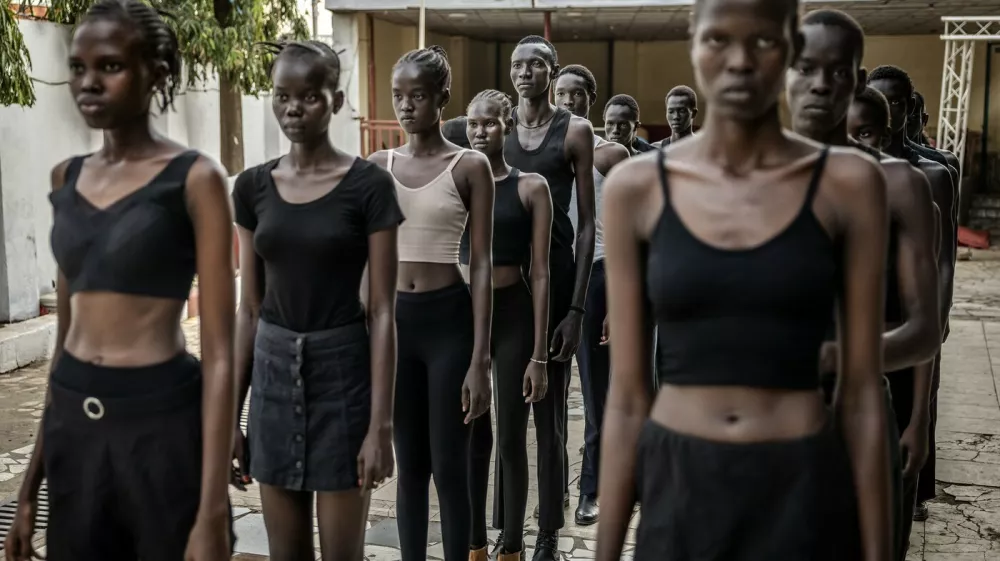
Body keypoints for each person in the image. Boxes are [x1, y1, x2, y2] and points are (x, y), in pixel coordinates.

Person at [596, 0, 892, 558]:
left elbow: (860, 395)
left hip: (800, 483)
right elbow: (628, 399)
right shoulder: (636, 188)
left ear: (790, 49)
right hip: (680, 485)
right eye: (718, 40)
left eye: (762, 42)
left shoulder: (848, 184)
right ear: (693, 42)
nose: (739, 61)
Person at [4, 1, 236, 559]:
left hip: (160, 424)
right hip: (74, 428)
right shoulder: (67, 177)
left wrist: (211, 511)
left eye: (109, 66)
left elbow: (222, 355)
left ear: (155, 72)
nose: (88, 82)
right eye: (78, 67)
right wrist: (28, 487)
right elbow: (64, 338)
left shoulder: (196, 179)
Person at [230, 40, 401, 561]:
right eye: (282, 96)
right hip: (273, 379)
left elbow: (381, 310)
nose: (292, 108)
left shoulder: (370, 187)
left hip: (343, 379)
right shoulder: (252, 187)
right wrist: (233, 420)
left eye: (309, 96)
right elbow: (250, 308)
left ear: (338, 100)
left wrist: (380, 427)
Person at [785, 10, 942, 558]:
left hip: (859, 407)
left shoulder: (900, 183)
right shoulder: (756, 177)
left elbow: (925, 329)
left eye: (840, 69)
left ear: (857, 76)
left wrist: (835, 358)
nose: (823, 83)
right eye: (807, 67)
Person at [369, 45, 495, 561]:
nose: (405, 106)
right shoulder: (378, 166)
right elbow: (367, 263)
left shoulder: (470, 166)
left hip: (450, 324)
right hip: (397, 325)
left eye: (417, 95)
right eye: (397, 96)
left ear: (442, 98)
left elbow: (482, 262)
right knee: (410, 467)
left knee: (451, 465)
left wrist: (480, 359)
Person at [505, 34, 596, 561]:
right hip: (507, 286)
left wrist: (577, 309)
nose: (524, 72)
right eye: (517, 65)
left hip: (557, 282)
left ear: (552, 71)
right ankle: (509, 531)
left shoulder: (575, 131)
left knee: (551, 420)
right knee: (507, 418)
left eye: (535, 65)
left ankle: (548, 537)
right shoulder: (496, 127)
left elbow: (586, 227)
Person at [460, 89, 554, 561]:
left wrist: (540, 354)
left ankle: (512, 546)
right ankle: (475, 542)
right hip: (465, 316)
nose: (479, 131)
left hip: (514, 314)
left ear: (508, 125)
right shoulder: (457, 181)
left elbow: (540, 272)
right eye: (473, 123)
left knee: (512, 435)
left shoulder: (530, 186)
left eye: (490, 123)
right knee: (474, 428)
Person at [553, 64, 629, 527]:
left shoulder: (611, 155)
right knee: (548, 395)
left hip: (598, 278)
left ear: (591, 100)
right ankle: (554, 485)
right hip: (549, 278)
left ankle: (591, 489)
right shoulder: (538, 151)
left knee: (596, 394)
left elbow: (627, 233)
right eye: (561, 95)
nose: (566, 102)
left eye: (576, 95)